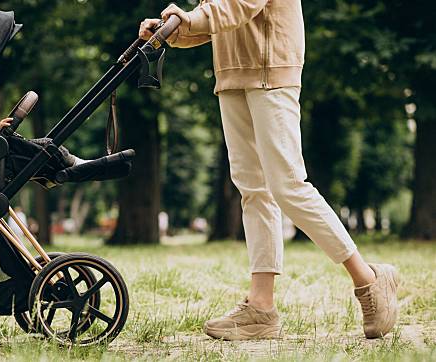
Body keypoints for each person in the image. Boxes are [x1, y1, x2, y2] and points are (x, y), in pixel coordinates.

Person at [139, 1, 399, 341]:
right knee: (253, 190)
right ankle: (261, 307)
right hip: (231, 76)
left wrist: (188, 18)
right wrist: (172, 30)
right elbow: (217, 19)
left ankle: (369, 279)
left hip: (271, 70)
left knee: (289, 185)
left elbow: (239, 5)